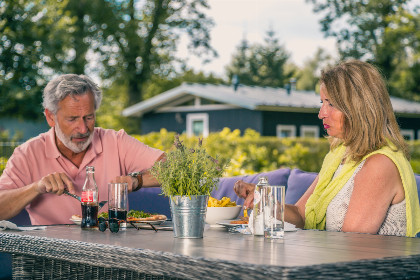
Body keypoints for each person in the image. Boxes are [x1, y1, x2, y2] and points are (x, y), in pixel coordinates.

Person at [234, 60, 420, 237]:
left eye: (331, 104)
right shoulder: (339, 156)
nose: (321, 113)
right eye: (322, 103)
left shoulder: (380, 164)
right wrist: (265, 200)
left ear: (358, 108)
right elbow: (300, 215)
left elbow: (349, 245)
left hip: (367, 269)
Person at [0, 74, 165, 225]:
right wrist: (36, 187)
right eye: (72, 119)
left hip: (111, 251)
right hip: (50, 254)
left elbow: (177, 169)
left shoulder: (116, 142)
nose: (83, 129)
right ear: (51, 117)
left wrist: (137, 181)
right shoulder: (27, 154)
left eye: (89, 117)